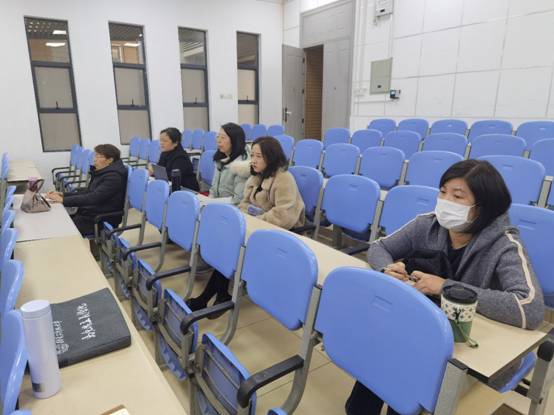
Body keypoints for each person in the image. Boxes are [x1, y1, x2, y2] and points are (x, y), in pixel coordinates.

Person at [346, 159, 545, 415]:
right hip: (421, 328)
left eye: (457, 196)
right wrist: (387, 268)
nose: (445, 201)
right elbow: (379, 247)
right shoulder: (427, 224)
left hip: (468, 343)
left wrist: (445, 287)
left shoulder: (504, 243)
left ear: (483, 207)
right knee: (380, 351)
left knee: (404, 372)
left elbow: (530, 308)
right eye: (442, 192)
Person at [186, 135, 305, 312]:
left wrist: (255, 220)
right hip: (256, 227)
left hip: (283, 233)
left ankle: (209, 298)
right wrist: (248, 219)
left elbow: (283, 216)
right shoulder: (256, 176)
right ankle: (216, 295)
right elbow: (244, 203)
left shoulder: (284, 179)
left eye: (259, 156)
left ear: (271, 157)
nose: (253, 160)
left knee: (233, 249)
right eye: (253, 155)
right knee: (228, 247)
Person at [47, 144, 128, 236]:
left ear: (110, 160)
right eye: (95, 155)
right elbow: (89, 192)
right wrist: (63, 195)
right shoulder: (103, 172)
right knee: (58, 221)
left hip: (101, 219)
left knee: (60, 230)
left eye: (99, 156)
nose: (94, 159)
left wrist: (63, 200)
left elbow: (94, 198)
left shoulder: (114, 177)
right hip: (91, 214)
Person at [209, 122, 251, 204]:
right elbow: (213, 190)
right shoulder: (220, 159)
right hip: (218, 204)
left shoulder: (242, 166)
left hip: (233, 208)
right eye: (218, 136)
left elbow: (237, 200)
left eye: (223, 138)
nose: (218, 141)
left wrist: (213, 203)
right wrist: (209, 201)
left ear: (234, 140)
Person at [155, 127, 199, 191]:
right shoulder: (164, 153)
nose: (161, 143)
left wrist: (155, 171)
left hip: (187, 189)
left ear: (175, 143)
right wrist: (154, 170)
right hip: (173, 186)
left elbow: (173, 177)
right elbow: (160, 169)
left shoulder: (181, 157)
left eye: (165, 141)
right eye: (160, 140)